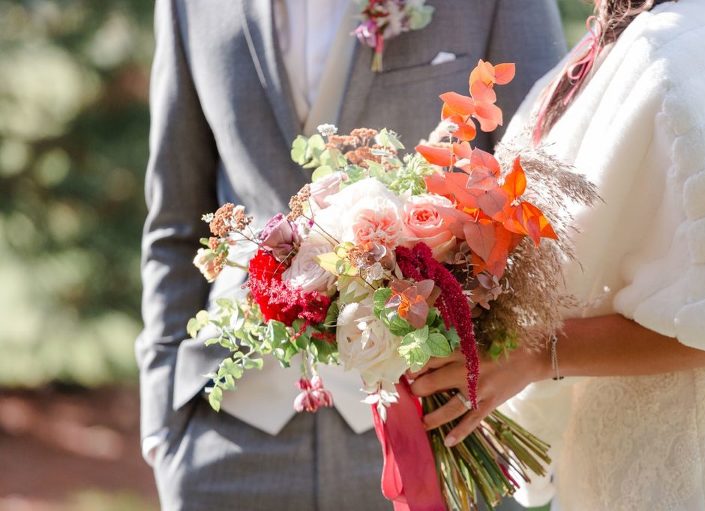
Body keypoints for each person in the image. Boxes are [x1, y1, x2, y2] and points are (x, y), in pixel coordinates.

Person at [136, 0, 566, 509]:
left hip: (435, 429)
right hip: (226, 435)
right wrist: (162, 425)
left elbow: (542, 191)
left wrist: (517, 364)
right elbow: (177, 223)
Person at [412, 0, 705, 509]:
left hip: (687, 471)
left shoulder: (685, 49)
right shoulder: (610, 41)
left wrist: (537, 353)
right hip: (604, 461)